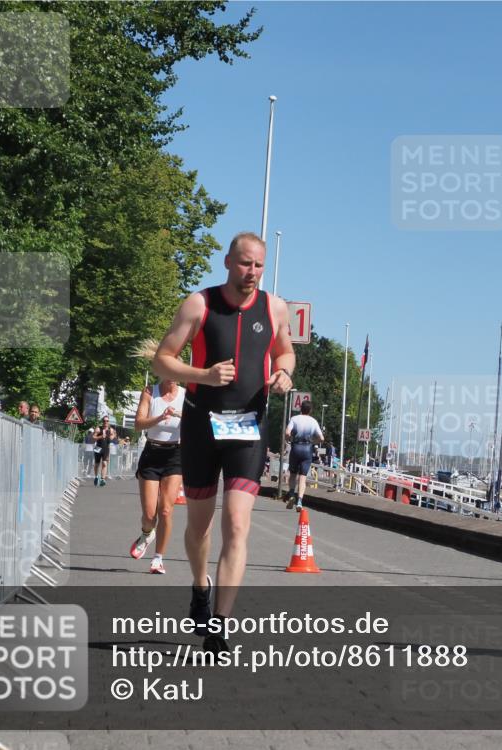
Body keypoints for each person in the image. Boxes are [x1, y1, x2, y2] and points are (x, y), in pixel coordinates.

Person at [152, 231, 294, 654]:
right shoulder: (199, 304)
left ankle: (220, 625)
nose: (252, 272)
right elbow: (162, 359)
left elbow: (285, 351)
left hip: (248, 428)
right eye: (245, 263)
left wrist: (284, 373)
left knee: (236, 523)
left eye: (259, 265)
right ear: (228, 262)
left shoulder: (274, 307)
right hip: (201, 425)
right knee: (199, 528)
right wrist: (204, 376)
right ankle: (200, 585)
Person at [130, 377, 185, 573]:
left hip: (175, 455)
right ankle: (147, 533)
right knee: (149, 515)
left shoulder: (186, 395)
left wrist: (181, 415)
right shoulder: (149, 392)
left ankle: (158, 559)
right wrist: (160, 417)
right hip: (152, 453)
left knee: (166, 510)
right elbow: (138, 424)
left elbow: (198, 422)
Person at [284, 400, 324, 511]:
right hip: (307, 449)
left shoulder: (294, 419)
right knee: (303, 476)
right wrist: (312, 442)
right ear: (310, 410)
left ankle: (292, 494)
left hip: (296, 447)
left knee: (293, 474)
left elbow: (287, 433)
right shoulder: (313, 421)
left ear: (300, 408)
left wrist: (289, 440)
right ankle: (300, 501)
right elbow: (321, 438)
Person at [92, 416, 116, 486]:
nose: (105, 422)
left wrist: (112, 437)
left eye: (107, 421)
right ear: (102, 421)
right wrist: (100, 436)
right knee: (97, 464)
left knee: (104, 463)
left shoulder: (110, 430)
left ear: (109, 422)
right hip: (98, 447)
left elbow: (113, 436)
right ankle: (96, 477)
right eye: (104, 421)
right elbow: (93, 437)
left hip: (106, 448)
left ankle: (102, 479)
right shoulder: (98, 429)